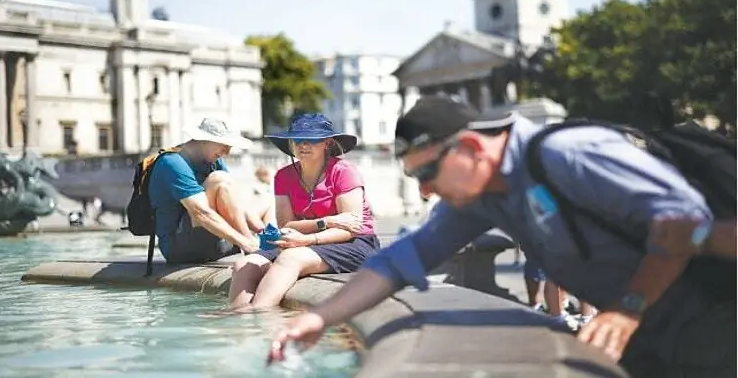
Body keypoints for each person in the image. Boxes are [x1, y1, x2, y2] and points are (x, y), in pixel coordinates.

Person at [268, 96, 735, 378]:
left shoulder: (568, 154)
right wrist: (319, 318)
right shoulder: (485, 194)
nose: (427, 190)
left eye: (428, 172)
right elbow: (403, 258)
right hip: (648, 330)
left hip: (713, 312)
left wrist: (629, 309)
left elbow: (680, 220)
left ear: (470, 148)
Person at [228, 113, 380, 309]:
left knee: (290, 258)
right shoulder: (283, 176)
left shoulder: (343, 172)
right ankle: (236, 321)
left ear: (327, 143)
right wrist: (326, 222)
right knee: (244, 266)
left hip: (354, 242)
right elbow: (286, 225)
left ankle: (258, 317)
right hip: (301, 239)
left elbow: (350, 227)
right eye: (298, 139)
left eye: (312, 139)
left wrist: (308, 239)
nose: (303, 145)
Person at [149, 117, 272, 264]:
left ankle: (272, 240)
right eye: (224, 144)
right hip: (181, 247)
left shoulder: (214, 161)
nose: (227, 151)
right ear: (203, 140)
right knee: (219, 179)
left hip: (217, 239)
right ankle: (252, 247)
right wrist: (247, 242)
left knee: (267, 200)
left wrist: (262, 231)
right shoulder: (172, 162)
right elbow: (201, 213)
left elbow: (236, 202)